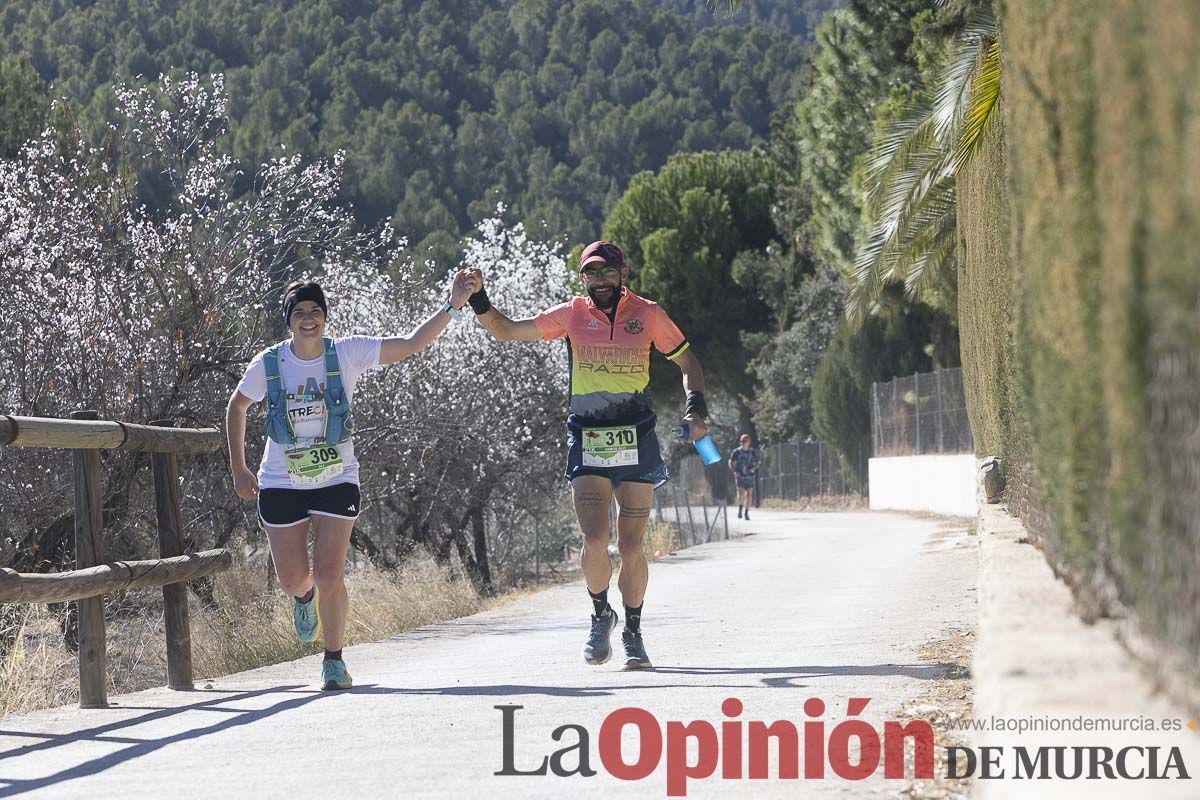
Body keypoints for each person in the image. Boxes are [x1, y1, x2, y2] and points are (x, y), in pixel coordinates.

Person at [463, 241, 708, 669]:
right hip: (588, 437)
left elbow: (688, 363)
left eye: (607, 273)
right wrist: (478, 297)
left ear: (623, 274)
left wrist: (697, 410)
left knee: (630, 547)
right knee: (595, 540)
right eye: (591, 274)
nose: (600, 281)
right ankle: (601, 615)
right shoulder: (572, 314)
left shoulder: (647, 314)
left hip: (637, 439)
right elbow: (505, 330)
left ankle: (633, 632)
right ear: (582, 279)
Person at [226, 273, 476, 690]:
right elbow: (237, 406)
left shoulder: (347, 353)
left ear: (325, 316)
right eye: (300, 312)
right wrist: (239, 467)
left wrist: (453, 305)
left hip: (336, 478)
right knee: (293, 579)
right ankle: (303, 599)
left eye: (316, 311)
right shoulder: (269, 363)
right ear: (289, 320)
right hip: (281, 481)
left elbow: (411, 343)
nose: (309, 319)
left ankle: (334, 660)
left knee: (329, 573)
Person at [728, 433, 759, 520]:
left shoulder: (752, 451)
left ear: (749, 442)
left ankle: (746, 513)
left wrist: (753, 468)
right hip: (740, 475)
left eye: (745, 441)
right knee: (741, 493)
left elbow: (757, 463)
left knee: (749, 494)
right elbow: (730, 462)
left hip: (749, 475)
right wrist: (735, 471)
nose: (743, 443)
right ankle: (740, 510)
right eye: (742, 441)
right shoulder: (736, 452)